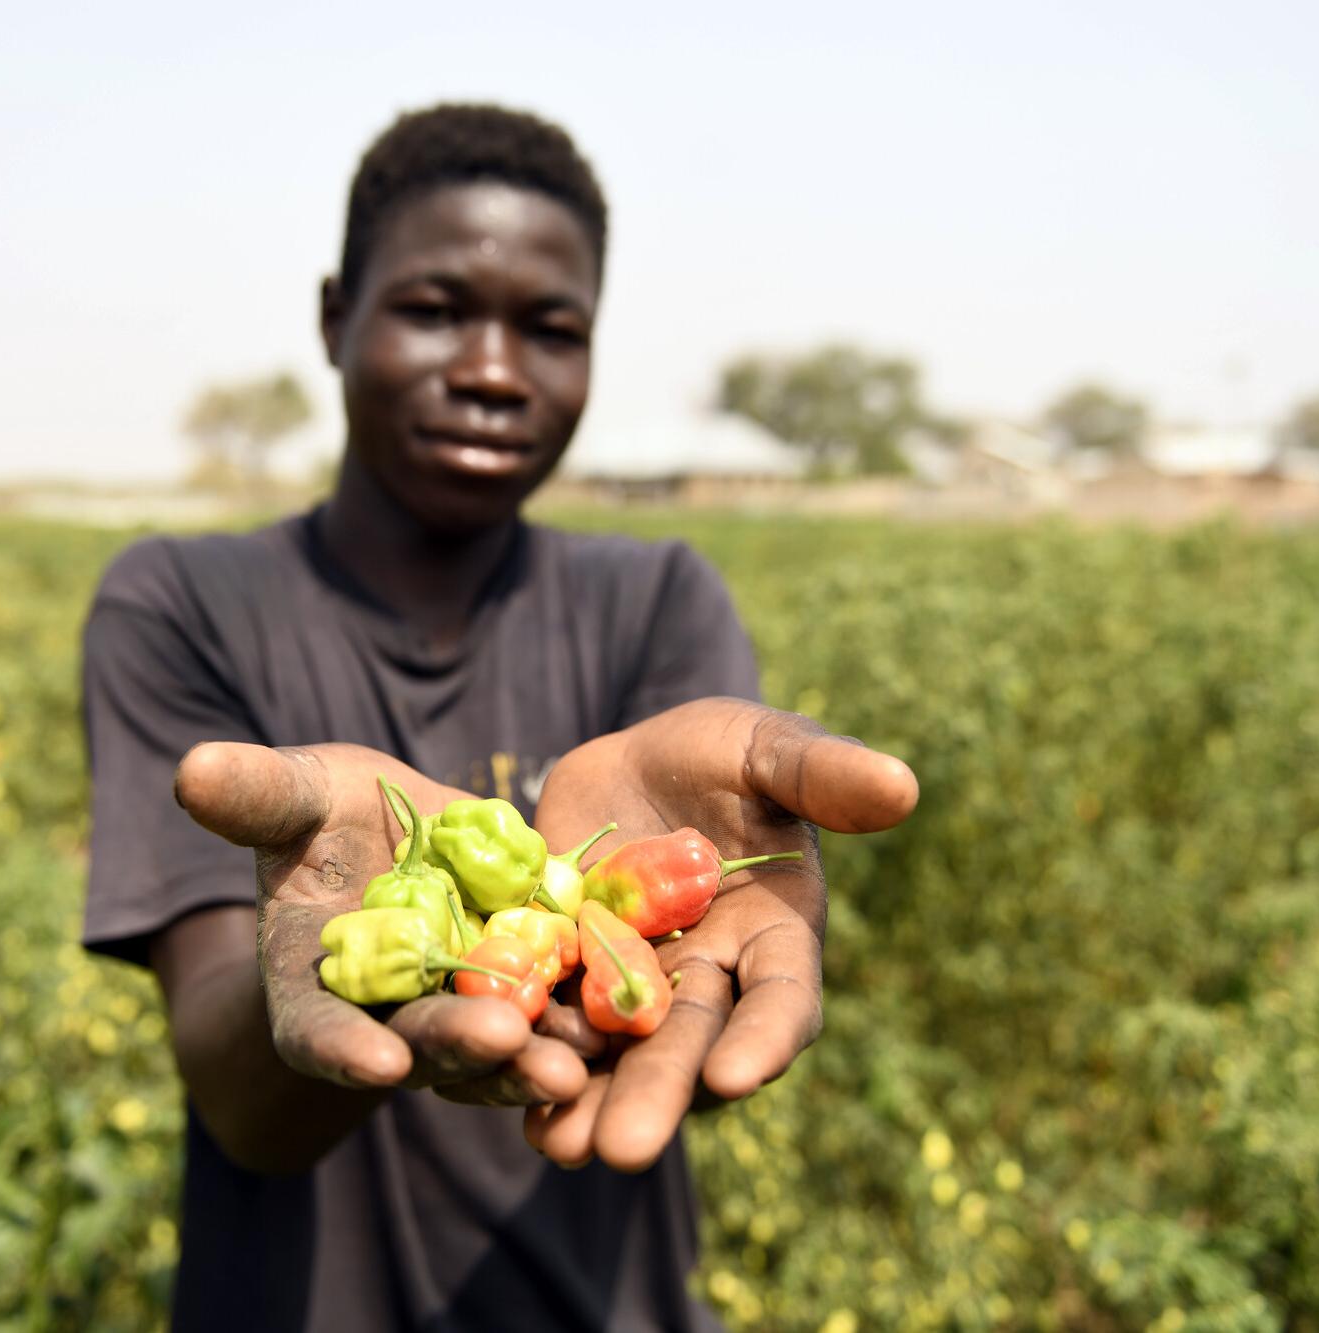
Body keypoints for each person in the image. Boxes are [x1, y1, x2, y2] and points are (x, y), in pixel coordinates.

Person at [80, 103, 917, 1331]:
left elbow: (679, 1007)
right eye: (433, 309)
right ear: (333, 317)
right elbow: (240, 1097)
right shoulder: (182, 602)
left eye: (549, 328)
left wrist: (668, 963)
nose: (488, 369)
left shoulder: (657, 598)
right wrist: (356, 976)